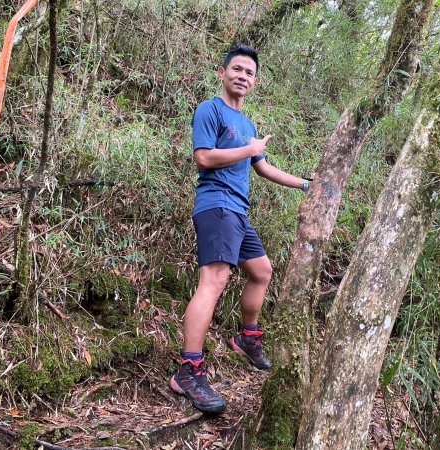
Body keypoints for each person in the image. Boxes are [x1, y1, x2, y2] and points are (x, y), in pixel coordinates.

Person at [170, 44, 310, 414]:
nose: (242, 76)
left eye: (249, 73)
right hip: (216, 206)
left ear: (255, 81)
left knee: (262, 272)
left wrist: (306, 185)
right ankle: (189, 369)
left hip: (238, 213)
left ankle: (247, 339)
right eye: (237, 69)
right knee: (214, 281)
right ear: (222, 72)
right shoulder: (210, 109)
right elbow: (204, 157)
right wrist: (248, 151)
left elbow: (263, 169)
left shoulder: (248, 126)